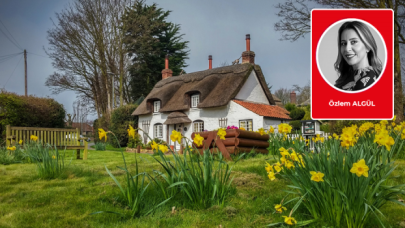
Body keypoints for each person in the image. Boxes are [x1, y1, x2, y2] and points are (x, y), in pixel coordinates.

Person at [334, 21, 382, 91]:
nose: (347, 49)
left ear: (367, 46)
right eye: (343, 43)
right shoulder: (346, 78)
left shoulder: (369, 80)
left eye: (353, 42)